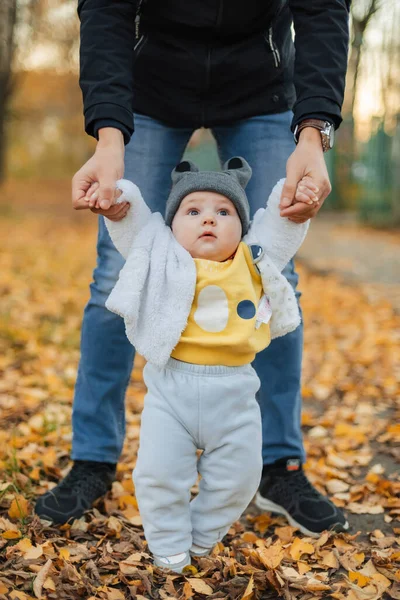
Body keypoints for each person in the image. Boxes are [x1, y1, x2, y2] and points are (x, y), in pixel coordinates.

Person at [35, 0, 350, 535]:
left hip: (264, 89)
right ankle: (92, 458)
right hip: (151, 90)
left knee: (274, 280)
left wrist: (314, 131)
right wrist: (109, 136)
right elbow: (107, 12)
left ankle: (280, 465)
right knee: (117, 274)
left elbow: (322, 10)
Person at [98, 156, 311, 572]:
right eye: (193, 211)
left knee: (240, 479)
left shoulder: (253, 259)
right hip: (171, 392)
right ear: (173, 226)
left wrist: (294, 192)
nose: (208, 220)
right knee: (159, 476)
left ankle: (199, 538)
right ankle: (168, 546)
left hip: (234, 394)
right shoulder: (161, 256)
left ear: (243, 226)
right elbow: (135, 226)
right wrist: (122, 201)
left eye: (223, 211)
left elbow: (282, 226)